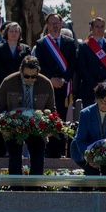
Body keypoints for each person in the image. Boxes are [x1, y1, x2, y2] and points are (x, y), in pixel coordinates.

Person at [0, 55, 55, 177]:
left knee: (38, 159)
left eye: (34, 77)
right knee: (15, 159)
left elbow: (51, 109)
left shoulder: (46, 83)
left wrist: (50, 126)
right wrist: (4, 126)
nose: (30, 79)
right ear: (20, 71)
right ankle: (15, 190)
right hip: (13, 125)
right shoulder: (8, 82)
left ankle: (34, 190)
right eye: (26, 76)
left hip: (37, 126)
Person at [35, 11, 78, 158]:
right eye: (51, 23)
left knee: (61, 118)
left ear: (61, 24)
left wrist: (63, 80)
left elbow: (73, 64)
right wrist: (51, 79)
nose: (54, 26)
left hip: (64, 88)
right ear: (47, 25)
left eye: (57, 23)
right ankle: (48, 149)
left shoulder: (69, 42)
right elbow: (40, 65)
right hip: (47, 87)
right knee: (48, 117)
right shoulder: (41, 44)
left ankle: (59, 149)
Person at [71, 81, 106, 175]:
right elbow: (81, 140)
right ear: (96, 99)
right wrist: (90, 157)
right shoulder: (85, 113)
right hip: (87, 151)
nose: (105, 105)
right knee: (91, 171)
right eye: (102, 101)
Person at [76, 17, 106, 107]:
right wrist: (94, 85)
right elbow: (81, 68)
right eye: (97, 26)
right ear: (92, 28)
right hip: (89, 89)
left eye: (102, 26)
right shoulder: (84, 46)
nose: (100, 29)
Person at [0, 21, 30, 94]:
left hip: (21, 84)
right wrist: (9, 79)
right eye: (11, 31)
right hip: (2, 83)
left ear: (19, 34)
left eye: (16, 31)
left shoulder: (26, 48)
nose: (14, 33)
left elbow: (27, 66)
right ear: (6, 33)